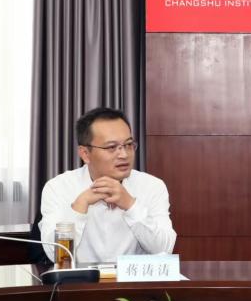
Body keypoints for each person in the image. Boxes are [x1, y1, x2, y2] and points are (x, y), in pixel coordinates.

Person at [38, 107, 176, 263]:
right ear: (85, 154)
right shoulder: (58, 188)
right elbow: (56, 255)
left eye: (128, 144)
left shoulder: (152, 186)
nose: (124, 154)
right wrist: (80, 205)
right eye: (111, 147)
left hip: (133, 279)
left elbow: (164, 249)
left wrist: (130, 205)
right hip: (81, 278)